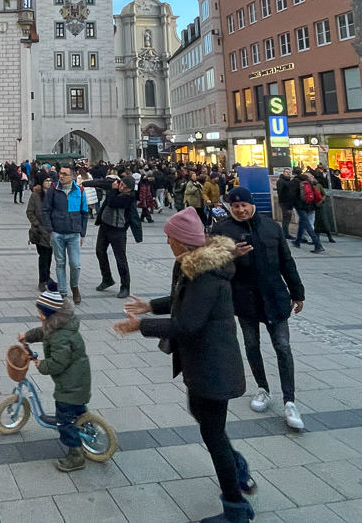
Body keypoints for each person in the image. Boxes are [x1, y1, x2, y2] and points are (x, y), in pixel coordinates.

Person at [116, 209, 256, 523]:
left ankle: (236, 507)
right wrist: (151, 305)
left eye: (170, 237)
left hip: (213, 364)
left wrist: (141, 326)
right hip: (204, 363)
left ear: (183, 241)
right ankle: (236, 470)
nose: (166, 241)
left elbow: (188, 323)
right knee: (204, 418)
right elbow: (183, 299)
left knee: (213, 434)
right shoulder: (193, 266)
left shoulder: (205, 273)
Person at [214, 187, 307, 431]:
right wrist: (231, 255)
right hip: (244, 299)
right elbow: (211, 266)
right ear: (230, 208)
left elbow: (286, 261)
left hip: (275, 296)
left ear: (252, 204)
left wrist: (297, 292)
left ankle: (290, 400)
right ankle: (262, 388)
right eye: (236, 206)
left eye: (244, 205)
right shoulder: (222, 230)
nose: (241, 210)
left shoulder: (271, 227)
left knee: (283, 347)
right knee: (251, 345)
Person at [20, 283, 92, 473]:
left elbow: (59, 362)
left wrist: (41, 365)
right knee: (77, 411)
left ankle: (76, 456)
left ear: (50, 315)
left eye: (41, 313)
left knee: (64, 420)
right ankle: (86, 425)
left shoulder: (61, 337)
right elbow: (42, 332)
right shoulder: (58, 325)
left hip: (70, 386)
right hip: (77, 381)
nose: (38, 315)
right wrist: (27, 336)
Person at [41, 166, 90, 305]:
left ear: (73, 176)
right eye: (60, 173)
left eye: (65, 174)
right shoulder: (54, 190)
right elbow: (46, 210)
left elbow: (84, 213)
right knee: (60, 263)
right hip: (57, 232)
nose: (61, 176)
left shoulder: (79, 191)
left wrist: (82, 233)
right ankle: (63, 292)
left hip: (74, 233)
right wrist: (50, 229)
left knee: (75, 264)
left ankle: (74, 287)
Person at [93, 173, 141, 299]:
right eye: (121, 184)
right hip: (105, 226)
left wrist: (113, 190)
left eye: (124, 187)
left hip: (118, 230)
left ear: (130, 189)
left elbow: (112, 202)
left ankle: (125, 286)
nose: (121, 188)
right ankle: (107, 278)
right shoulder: (115, 189)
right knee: (99, 251)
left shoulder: (129, 197)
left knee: (120, 258)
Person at [27, 181, 52, 291]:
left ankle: (47, 276)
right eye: (46, 180)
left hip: (51, 230)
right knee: (43, 255)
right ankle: (42, 280)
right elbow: (29, 212)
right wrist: (36, 224)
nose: (49, 183)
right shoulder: (35, 195)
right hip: (39, 231)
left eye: (50, 180)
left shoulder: (53, 194)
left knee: (49, 255)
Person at [291, 172, 325, 253]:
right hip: (309, 206)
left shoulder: (296, 183)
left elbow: (292, 196)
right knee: (302, 223)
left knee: (307, 225)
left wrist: (292, 205)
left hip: (300, 207)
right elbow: (317, 195)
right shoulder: (309, 183)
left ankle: (318, 245)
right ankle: (297, 241)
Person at [275, 169, 298, 240]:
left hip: (289, 203)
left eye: (289, 172)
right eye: (286, 172)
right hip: (285, 203)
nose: (288, 174)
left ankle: (285, 233)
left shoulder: (288, 181)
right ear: (283, 173)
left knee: (288, 218)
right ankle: (285, 234)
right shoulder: (281, 181)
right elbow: (280, 192)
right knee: (286, 218)